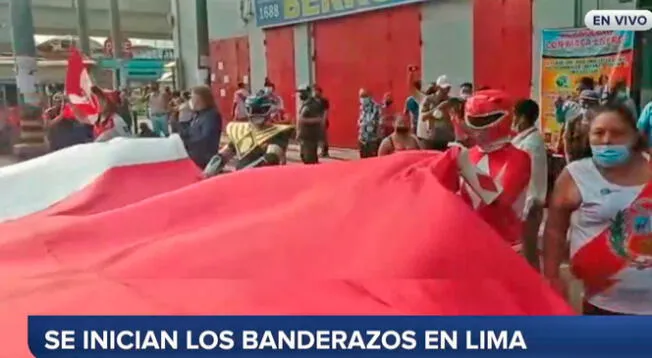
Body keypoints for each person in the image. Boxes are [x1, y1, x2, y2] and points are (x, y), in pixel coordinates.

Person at [543, 104, 652, 315]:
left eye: (618, 133)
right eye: (599, 133)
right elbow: (554, 231)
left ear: (635, 135)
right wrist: (551, 276)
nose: (607, 140)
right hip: (601, 306)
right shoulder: (575, 175)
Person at [454, 89, 532, 250]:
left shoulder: (519, 158)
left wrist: (466, 167)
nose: (478, 129)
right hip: (469, 241)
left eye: (484, 121)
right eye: (474, 121)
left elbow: (500, 200)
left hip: (505, 245)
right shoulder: (469, 154)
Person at [203, 93, 294, 177]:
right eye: (253, 110)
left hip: (265, 179)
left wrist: (240, 175)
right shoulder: (242, 131)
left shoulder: (278, 133)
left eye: (260, 110)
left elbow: (271, 158)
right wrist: (209, 171)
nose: (256, 115)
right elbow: (225, 153)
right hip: (241, 181)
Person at [512, 99, 548, 267]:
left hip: (529, 207)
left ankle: (536, 290)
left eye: (514, 115)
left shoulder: (531, 144)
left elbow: (534, 178)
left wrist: (529, 207)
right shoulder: (524, 140)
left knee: (529, 253)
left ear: (522, 118)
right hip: (524, 206)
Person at [184, 86, 222, 169]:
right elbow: (191, 132)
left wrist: (187, 143)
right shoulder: (198, 115)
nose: (191, 101)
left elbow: (206, 138)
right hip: (194, 156)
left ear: (200, 99)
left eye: (192, 97)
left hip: (204, 159)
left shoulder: (211, 115)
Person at [297, 85, 325, 164]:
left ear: (308, 93)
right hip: (304, 136)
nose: (300, 95)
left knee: (309, 160)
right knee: (305, 158)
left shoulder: (312, 105)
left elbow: (318, 119)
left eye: (302, 92)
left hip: (309, 137)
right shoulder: (305, 104)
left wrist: (304, 120)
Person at [357, 88, 382, 158]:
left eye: (364, 96)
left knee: (372, 160)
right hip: (362, 138)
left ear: (369, 96)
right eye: (361, 96)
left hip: (372, 139)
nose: (363, 98)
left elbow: (379, 122)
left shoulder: (376, 107)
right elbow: (361, 120)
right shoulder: (362, 107)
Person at [313, 85, 330, 157]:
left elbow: (326, 111)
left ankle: (325, 151)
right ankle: (320, 151)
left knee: (323, 137)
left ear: (320, 92)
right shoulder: (312, 100)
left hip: (322, 120)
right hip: (315, 121)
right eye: (314, 91)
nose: (315, 92)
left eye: (316, 91)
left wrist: (323, 120)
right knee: (317, 137)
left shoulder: (324, 101)